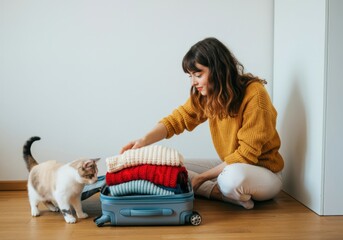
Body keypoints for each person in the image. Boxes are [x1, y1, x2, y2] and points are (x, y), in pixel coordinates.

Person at [120, 37, 284, 209]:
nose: (193, 82)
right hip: (231, 164)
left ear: (218, 70)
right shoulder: (208, 95)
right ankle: (217, 193)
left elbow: (245, 155)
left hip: (264, 173)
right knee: (170, 166)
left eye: (198, 75)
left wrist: (202, 177)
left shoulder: (255, 95)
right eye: (191, 76)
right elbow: (177, 120)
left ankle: (223, 189)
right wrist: (143, 141)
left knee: (231, 178)